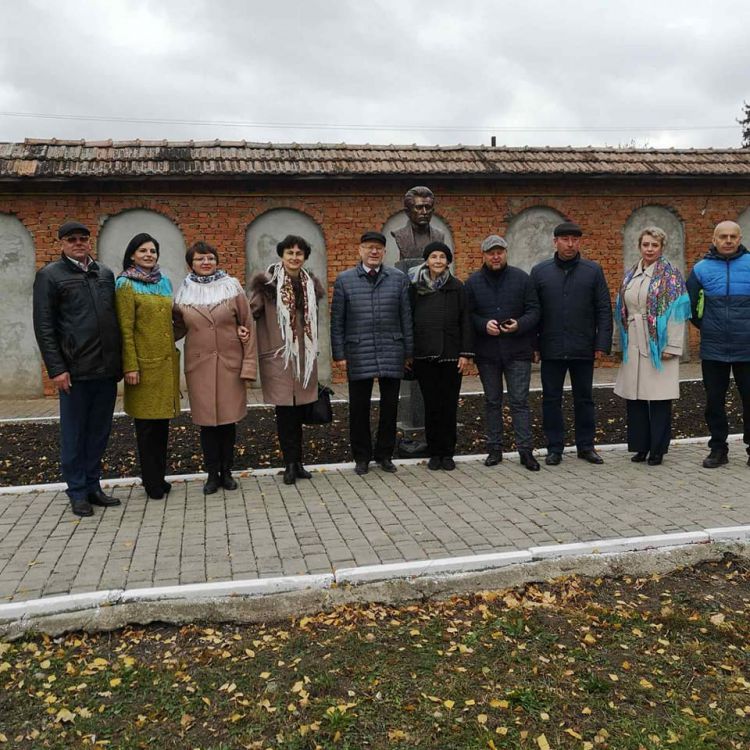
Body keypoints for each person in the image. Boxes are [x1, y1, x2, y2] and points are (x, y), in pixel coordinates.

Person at [32, 221, 123, 517]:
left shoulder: (104, 273)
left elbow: (115, 319)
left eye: (83, 238)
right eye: (72, 239)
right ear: (61, 243)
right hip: (74, 370)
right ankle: (77, 491)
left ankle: (94, 485)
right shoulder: (50, 276)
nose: (78, 243)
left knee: (99, 431)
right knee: (74, 433)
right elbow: (44, 326)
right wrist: (57, 368)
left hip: (106, 369)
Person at [173, 241, 257, 494]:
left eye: (210, 257)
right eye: (200, 259)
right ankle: (212, 474)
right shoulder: (183, 293)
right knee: (207, 424)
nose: (206, 262)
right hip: (200, 367)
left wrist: (249, 366)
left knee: (228, 422)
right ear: (191, 264)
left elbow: (247, 325)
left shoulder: (232, 288)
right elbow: (175, 328)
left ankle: (227, 472)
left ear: (217, 260)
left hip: (229, 365)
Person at [331, 231, 414, 475]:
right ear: (360, 251)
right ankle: (362, 457)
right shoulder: (345, 280)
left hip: (392, 348)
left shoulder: (398, 279)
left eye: (378, 248)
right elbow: (338, 320)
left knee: (390, 407)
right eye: (368, 247)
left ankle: (385, 454)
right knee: (359, 408)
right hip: (359, 350)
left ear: (384, 252)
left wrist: (408, 352)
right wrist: (339, 353)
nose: (374, 252)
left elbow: (405, 317)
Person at [530, 220, 613, 465]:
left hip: (583, 347)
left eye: (574, 239)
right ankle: (555, 447)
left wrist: (602, 343)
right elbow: (534, 311)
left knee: (584, 398)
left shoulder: (593, 271)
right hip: (551, 347)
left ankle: (586, 446)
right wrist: (533, 345)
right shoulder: (540, 272)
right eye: (565, 239)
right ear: (555, 242)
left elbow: (603, 309)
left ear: (580, 242)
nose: (570, 244)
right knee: (551, 399)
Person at [249, 234, 324, 485]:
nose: (294, 257)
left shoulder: (310, 285)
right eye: (290, 253)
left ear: (304, 257)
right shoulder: (267, 286)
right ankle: (289, 464)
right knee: (285, 414)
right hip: (279, 357)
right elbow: (251, 315)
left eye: (299, 253)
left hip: (303, 359)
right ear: (282, 255)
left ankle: (299, 462)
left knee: (300, 412)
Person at [614, 227, 690, 465]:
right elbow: (622, 311)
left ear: (661, 247)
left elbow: (678, 313)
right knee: (635, 397)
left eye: (654, 245)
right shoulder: (630, 275)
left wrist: (673, 346)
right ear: (640, 246)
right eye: (645, 245)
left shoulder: (671, 276)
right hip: (634, 342)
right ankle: (640, 447)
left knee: (658, 398)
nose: (649, 249)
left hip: (659, 344)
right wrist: (620, 342)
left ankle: (657, 449)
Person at [465, 234, 541, 471]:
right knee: (492, 402)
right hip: (487, 353)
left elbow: (534, 311)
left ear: (506, 253)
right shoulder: (473, 282)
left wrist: (519, 324)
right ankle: (494, 449)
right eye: (491, 252)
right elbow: (468, 315)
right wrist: (482, 324)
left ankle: (525, 451)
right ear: (484, 256)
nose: (495, 256)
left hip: (518, 350)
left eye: (499, 252)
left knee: (520, 402)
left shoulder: (522, 279)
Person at [115, 233, 180, 500]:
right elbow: (125, 329)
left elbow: (172, 319)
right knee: (146, 428)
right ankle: (150, 482)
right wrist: (130, 366)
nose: (149, 255)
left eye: (153, 251)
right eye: (143, 250)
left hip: (164, 364)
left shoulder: (164, 282)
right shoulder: (125, 284)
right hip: (142, 366)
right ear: (132, 254)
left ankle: (159, 477)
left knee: (162, 425)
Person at [687, 220, 750, 468]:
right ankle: (718, 449)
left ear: (740, 238)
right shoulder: (701, 269)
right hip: (714, 348)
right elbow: (690, 306)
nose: (728, 241)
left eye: (733, 236)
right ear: (714, 240)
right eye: (723, 236)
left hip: (747, 348)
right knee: (714, 401)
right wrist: (708, 327)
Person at [410, 240, 473, 470]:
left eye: (442, 257)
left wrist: (465, 353)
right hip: (425, 356)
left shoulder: (457, 287)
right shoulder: (415, 287)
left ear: (448, 262)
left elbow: (465, 320)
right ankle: (434, 452)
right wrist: (411, 351)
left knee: (448, 406)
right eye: (433, 256)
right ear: (426, 260)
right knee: (431, 406)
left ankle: (448, 453)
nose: (438, 260)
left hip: (450, 356)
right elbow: (410, 318)